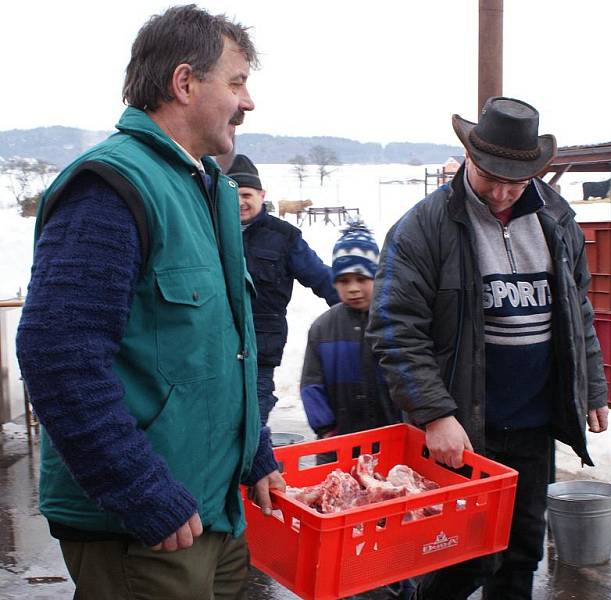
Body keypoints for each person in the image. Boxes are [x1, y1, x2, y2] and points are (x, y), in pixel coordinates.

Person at [15, 6, 285, 599]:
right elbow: (58, 355)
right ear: (184, 83)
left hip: (213, 508)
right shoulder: (112, 187)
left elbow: (217, 348)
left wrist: (253, 451)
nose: (249, 102)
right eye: (236, 82)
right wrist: (138, 488)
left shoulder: (208, 188)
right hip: (145, 531)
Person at [366, 96, 609, 600]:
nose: (499, 193)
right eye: (488, 176)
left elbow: (577, 308)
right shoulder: (423, 227)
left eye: (514, 182)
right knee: (458, 558)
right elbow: (394, 327)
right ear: (469, 158)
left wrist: (592, 385)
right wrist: (435, 414)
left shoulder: (556, 220)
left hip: (532, 424)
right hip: (464, 429)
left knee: (520, 555)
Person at [300, 221, 413, 600]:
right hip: (340, 445)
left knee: (394, 517)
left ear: (378, 277)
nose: (352, 288)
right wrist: (326, 428)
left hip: (390, 443)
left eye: (362, 279)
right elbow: (311, 383)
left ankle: (401, 578)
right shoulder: (323, 328)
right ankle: (347, 579)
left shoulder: (394, 322)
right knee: (344, 519)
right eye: (342, 279)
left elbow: (410, 375)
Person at [228, 154, 339, 424]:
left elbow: (320, 277)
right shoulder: (209, 231)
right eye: (233, 194)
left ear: (261, 194)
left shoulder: (284, 236)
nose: (241, 202)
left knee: (253, 417)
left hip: (262, 345)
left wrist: (353, 305)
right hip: (217, 344)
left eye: (247, 194)